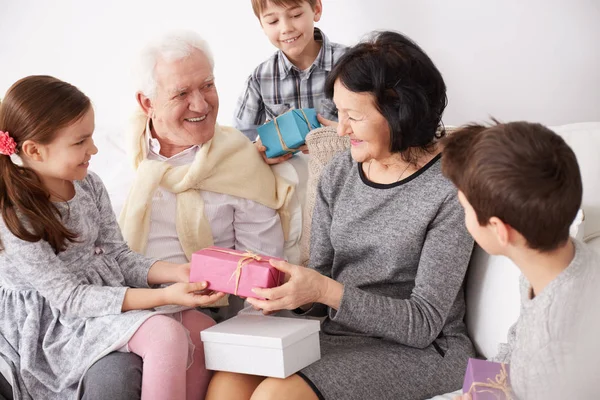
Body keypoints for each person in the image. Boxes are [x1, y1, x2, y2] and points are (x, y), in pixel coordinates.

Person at [206, 31, 476, 400]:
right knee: (227, 384)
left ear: (399, 112)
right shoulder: (339, 172)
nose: (342, 128)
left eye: (354, 116)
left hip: (424, 350)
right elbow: (320, 284)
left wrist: (325, 291)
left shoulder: (448, 190)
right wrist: (291, 292)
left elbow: (424, 323)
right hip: (340, 336)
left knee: (274, 396)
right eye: (339, 112)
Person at [0, 75, 225, 400]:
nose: (93, 149)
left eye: (90, 137)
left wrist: (178, 272)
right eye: (80, 142)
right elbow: (71, 300)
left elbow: (119, 256)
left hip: (103, 296)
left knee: (201, 329)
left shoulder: (88, 184)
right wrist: (165, 296)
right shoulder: (17, 216)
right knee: (164, 334)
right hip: (56, 320)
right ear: (34, 150)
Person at [119, 30, 294, 322]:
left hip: (200, 315)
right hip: (114, 310)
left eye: (207, 86)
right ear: (147, 103)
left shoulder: (240, 160)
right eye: (181, 94)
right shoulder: (104, 155)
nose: (201, 105)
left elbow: (262, 277)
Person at [442, 122, 600, 400]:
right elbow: (519, 338)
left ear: (499, 230)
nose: (462, 216)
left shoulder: (555, 349)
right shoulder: (558, 260)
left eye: (464, 208)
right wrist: (485, 388)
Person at [233, 0, 347, 164]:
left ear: (316, 10)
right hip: (291, 179)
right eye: (273, 21)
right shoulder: (260, 78)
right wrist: (257, 152)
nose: (286, 28)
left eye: (295, 15)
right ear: (262, 25)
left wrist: (344, 137)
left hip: (346, 170)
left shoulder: (351, 64)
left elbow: (379, 124)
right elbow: (238, 141)